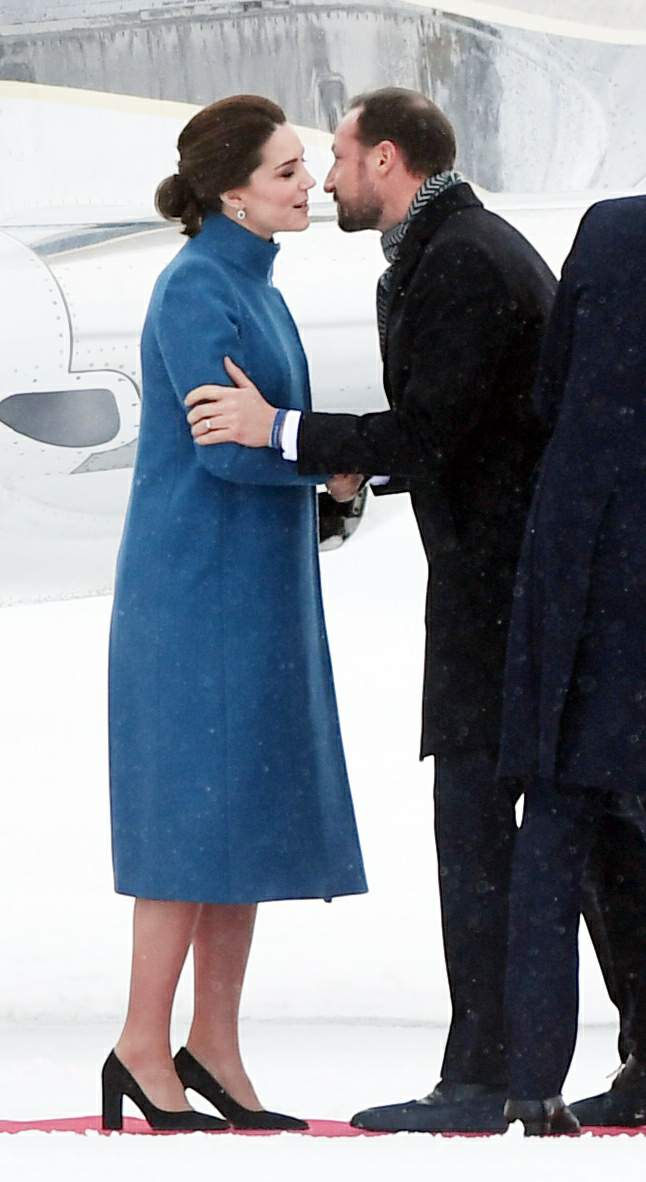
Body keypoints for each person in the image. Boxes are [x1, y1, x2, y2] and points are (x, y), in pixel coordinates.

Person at [185, 88, 646, 1133]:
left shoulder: (461, 261)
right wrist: (360, 466)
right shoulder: (455, 250)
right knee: (598, 827)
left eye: (339, 158)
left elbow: (436, 429)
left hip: (506, 594)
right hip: (520, 584)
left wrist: (281, 430)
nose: (328, 178)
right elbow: (472, 423)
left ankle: (480, 1079)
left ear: (387, 159)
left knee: (479, 828)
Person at [104, 94, 367, 1134]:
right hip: (196, 593)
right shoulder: (196, 289)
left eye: (305, 166)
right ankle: (140, 1043)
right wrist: (322, 460)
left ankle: (212, 1044)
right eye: (286, 172)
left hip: (252, 587)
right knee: (187, 821)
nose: (309, 186)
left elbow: (270, 432)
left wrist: (315, 458)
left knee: (240, 819)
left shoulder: (256, 284)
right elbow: (225, 446)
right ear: (230, 193)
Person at [498, 195, 646, 1135]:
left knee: (555, 819)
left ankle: (534, 1078)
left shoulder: (609, 228)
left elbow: (549, 394)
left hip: (583, 557)